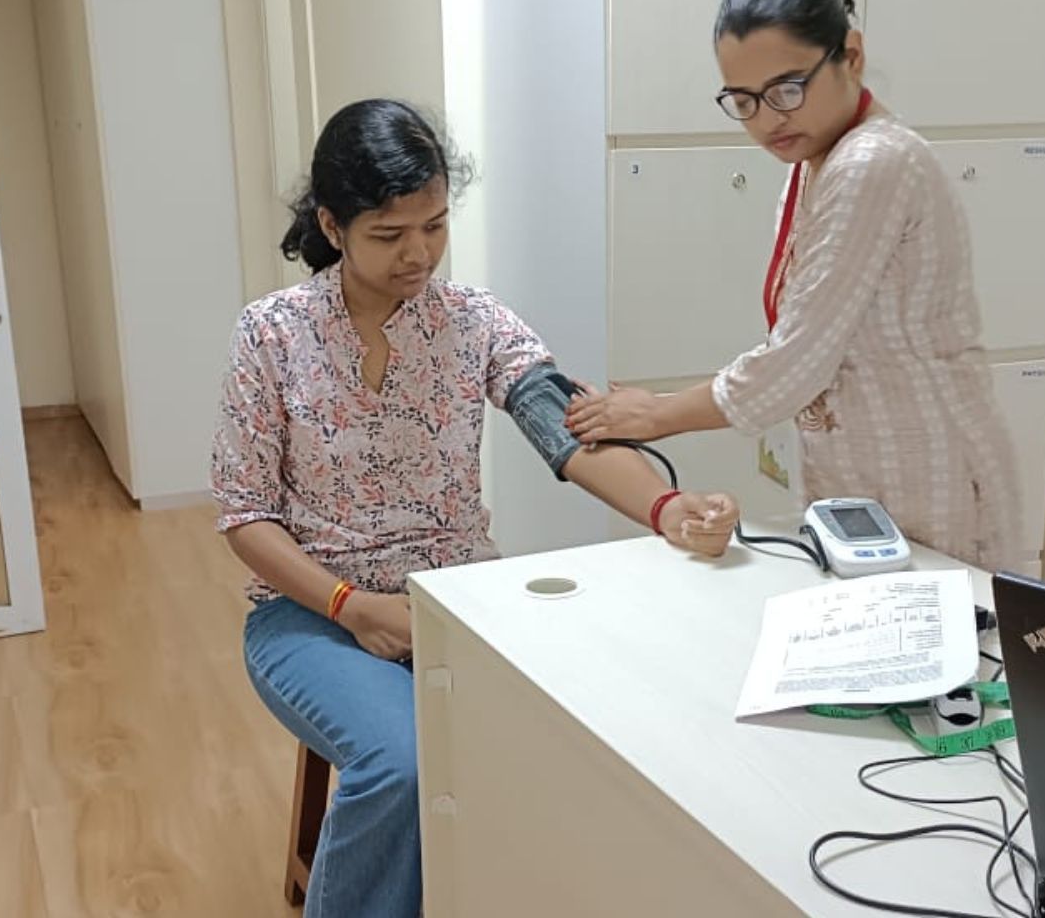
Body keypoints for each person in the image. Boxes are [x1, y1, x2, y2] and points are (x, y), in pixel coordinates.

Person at [213, 98, 739, 918]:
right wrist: (357, 609)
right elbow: (245, 516)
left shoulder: (473, 321)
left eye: (435, 224)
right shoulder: (273, 335)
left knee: (601, 727)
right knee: (406, 762)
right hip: (310, 613)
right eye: (389, 235)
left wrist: (670, 510)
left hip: (460, 606)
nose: (418, 253)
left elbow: (568, 432)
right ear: (332, 223)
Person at [566, 0, 1024, 573]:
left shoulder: (872, 162)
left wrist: (654, 415)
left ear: (851, 57)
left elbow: (796, 362)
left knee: (949, 655)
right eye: (743, 100)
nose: (765, 120)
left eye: (786, 88)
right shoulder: (817, 158)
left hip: (929, 474)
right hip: (866, 475)